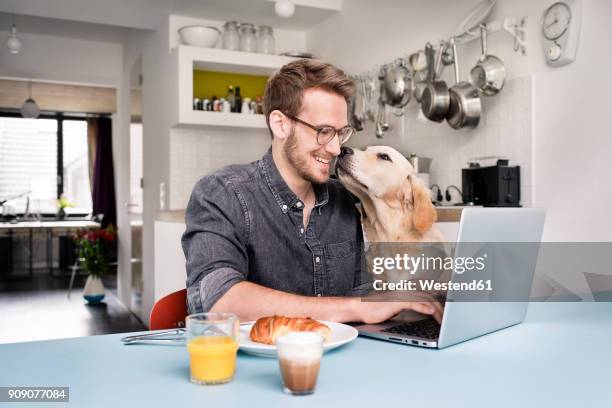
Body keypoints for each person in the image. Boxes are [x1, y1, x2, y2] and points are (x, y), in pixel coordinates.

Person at [182, 59, 442, 323]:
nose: (336, 148)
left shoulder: (344, 200)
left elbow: (365, 291)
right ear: (281, 124)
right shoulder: (221, 194)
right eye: (323, 131)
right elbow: (218, 301)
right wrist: (355, 307)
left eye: (341, 133)